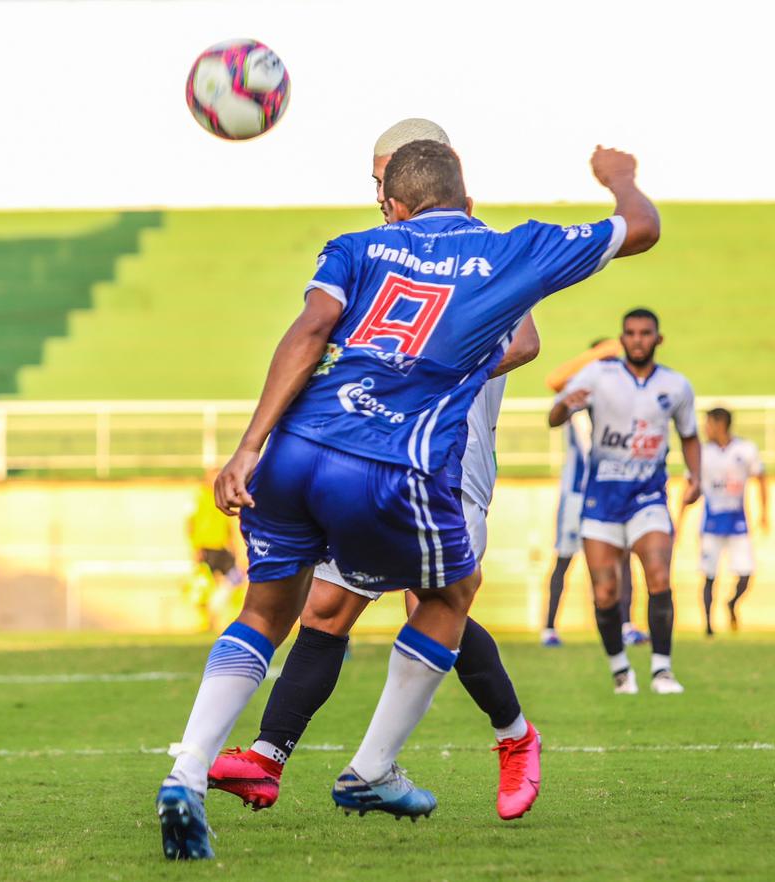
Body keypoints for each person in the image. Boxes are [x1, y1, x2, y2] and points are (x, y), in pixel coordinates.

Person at [156, 139, 659, 860]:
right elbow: (640, 228)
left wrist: (247, 447)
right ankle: (374, 768)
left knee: (266, 614)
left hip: (295, 448)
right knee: (451, 596)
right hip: (390, 461)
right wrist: (620, 177)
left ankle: (186, 775)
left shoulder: (356, 246)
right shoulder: (509, 249)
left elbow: (309, 332)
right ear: (467, 199)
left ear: (391, 205)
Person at [207, 118, 543, 825]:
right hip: (374, 460)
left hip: (450, 466)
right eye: (377, 182)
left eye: (386, 179)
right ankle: (268, 756)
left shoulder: (483, 252)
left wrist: (425, 374)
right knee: (326, 608)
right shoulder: (382, 257)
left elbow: (526, 340)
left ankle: (514, 738)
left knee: (434, 606)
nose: (381, 195)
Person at [549, 309, 698, 695]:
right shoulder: (599, 374)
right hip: (601, 499)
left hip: (648, 497)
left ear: (658, 339)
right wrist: (566, 404)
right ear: (622, 338)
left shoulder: (676, 385)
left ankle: (662, 670)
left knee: (659, 575)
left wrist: (695, 477)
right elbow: (554, 413)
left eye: (645, 333)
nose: (637, 340)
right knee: (605, 592)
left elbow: (689, 435)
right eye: (630, 333)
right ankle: (620, 670)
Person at [541, 339, 646, 647]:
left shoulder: (621, 397)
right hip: (576, 491)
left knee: (622, 558)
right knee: (564, 558)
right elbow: (554, 381)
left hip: (612, 490)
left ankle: (626, 625)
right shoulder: (579, 393)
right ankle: (549, 628)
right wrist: (598, 353)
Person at [678, 408, 769, 634]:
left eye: (708, 423)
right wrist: (680, 519)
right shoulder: (701, 453)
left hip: (738, 523)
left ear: (720, 424)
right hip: (711, 524)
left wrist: (764, 512)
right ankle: (709, 626)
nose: (705, 428)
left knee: (746, 573)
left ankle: (732, 604)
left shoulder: (745, 449)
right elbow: (689, 487)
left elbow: (761, 477)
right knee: (709, 575)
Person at [185, 469, 246, 631]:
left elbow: (230, 523)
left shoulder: (224, 497)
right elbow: (190, 524)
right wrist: (194, 547)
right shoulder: (199, 497)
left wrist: (234, 545)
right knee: (202, 584)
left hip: (221, 546)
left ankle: (234, 617)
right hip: (204, 547)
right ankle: (204, 621)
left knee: (237, 577)